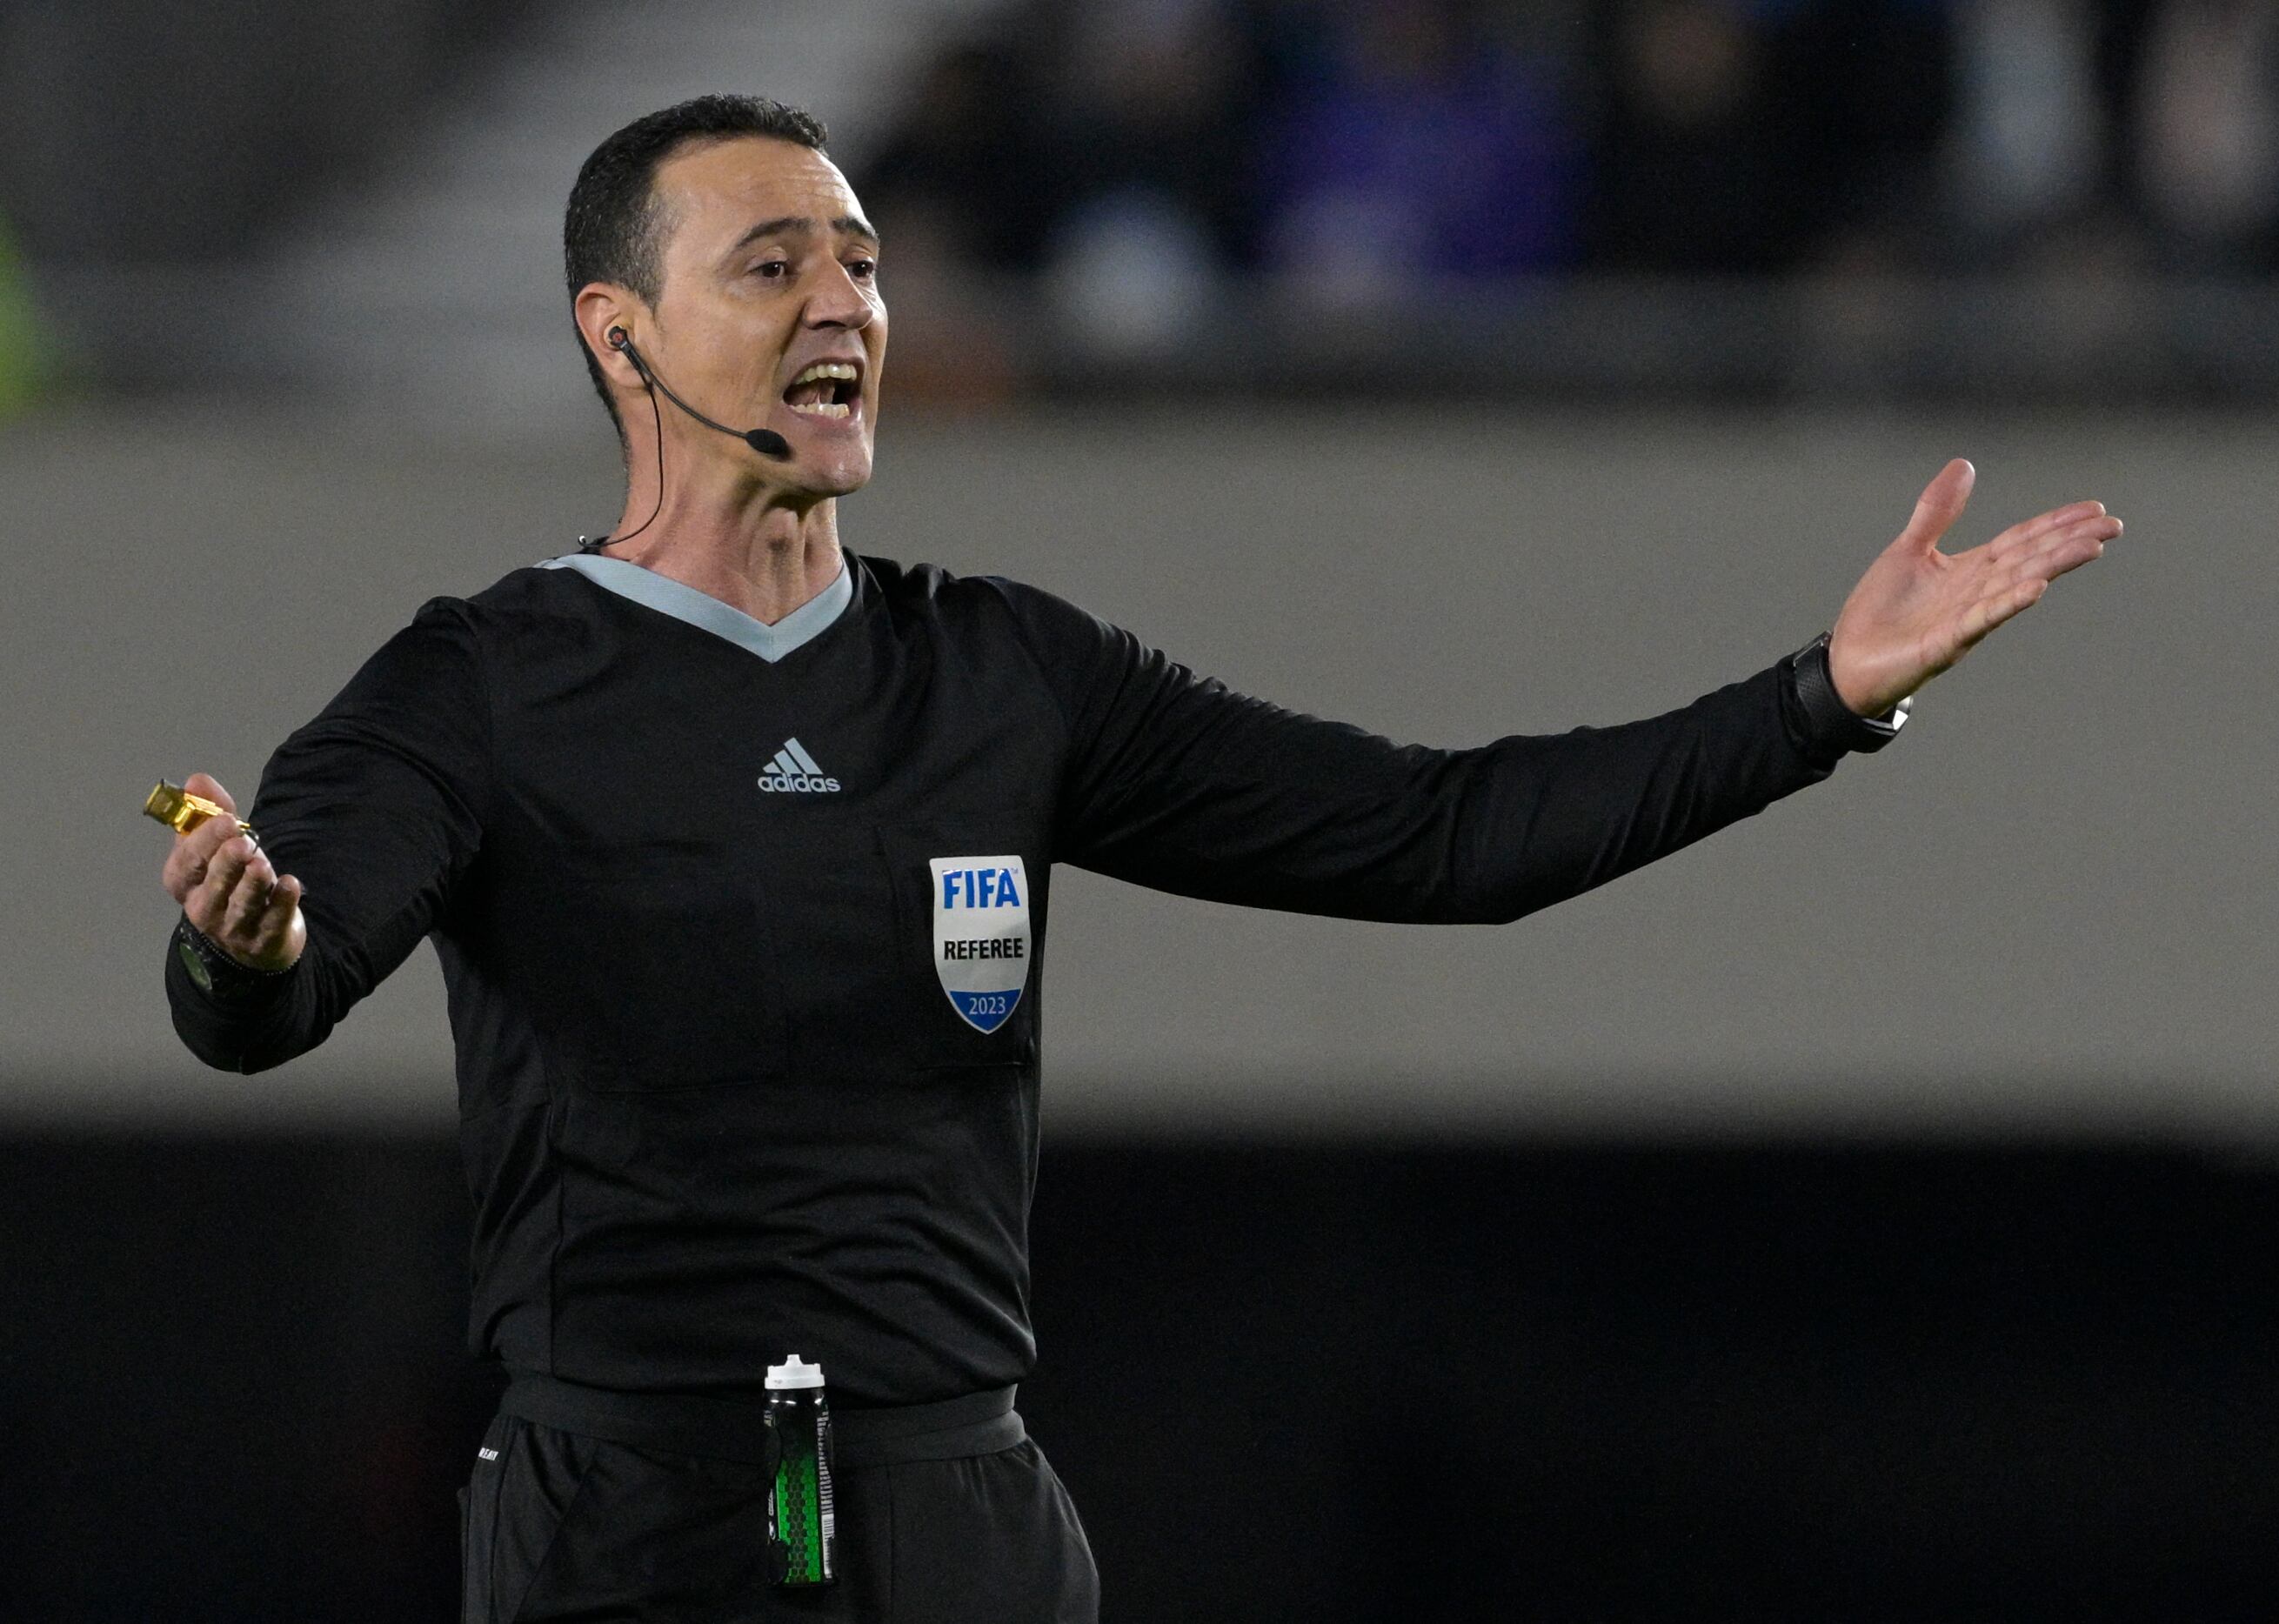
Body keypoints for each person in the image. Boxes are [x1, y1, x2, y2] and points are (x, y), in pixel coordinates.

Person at [155, 95, 2122, 1624]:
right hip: (621, 1526)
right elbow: (281, 973)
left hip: (958, 1515)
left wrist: (1817, 699)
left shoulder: (1006, 671)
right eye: (771, 266)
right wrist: (245, 951)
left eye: (856, 259)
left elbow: (1442, 836)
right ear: (623, 333)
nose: (844, 302)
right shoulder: (487, 678)